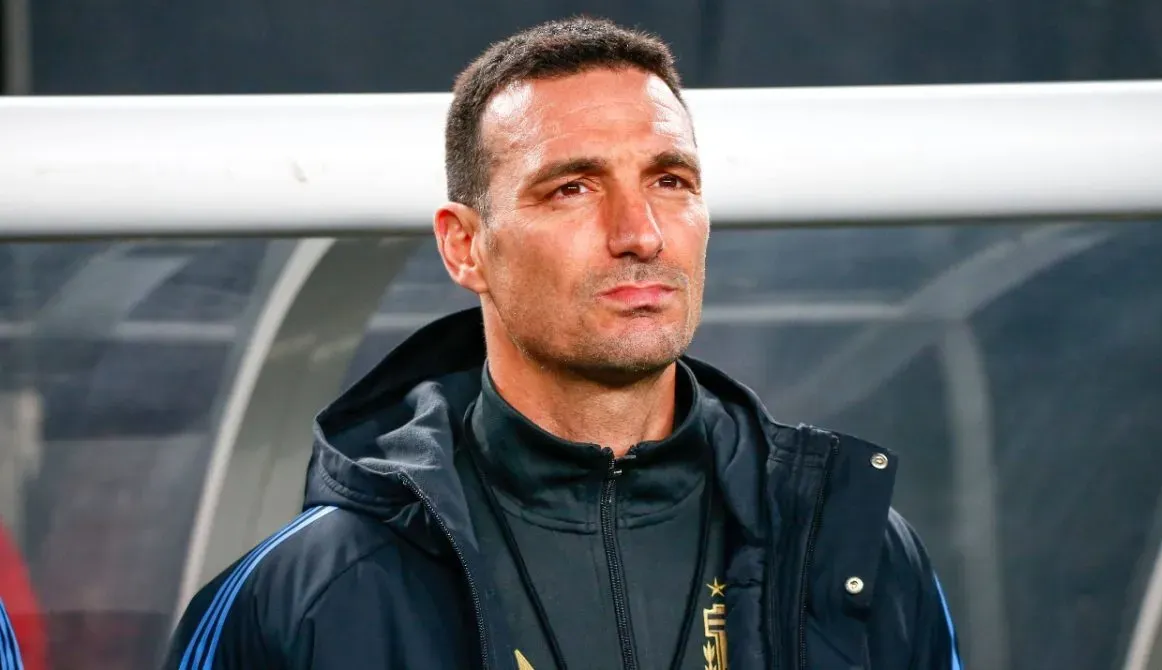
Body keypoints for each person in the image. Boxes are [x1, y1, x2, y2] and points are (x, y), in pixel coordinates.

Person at [164, 16, 962, 670]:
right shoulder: (309, 589)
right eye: (573, 188)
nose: (640, 233)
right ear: (465, 247)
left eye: (670, 181)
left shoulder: (850, 553)